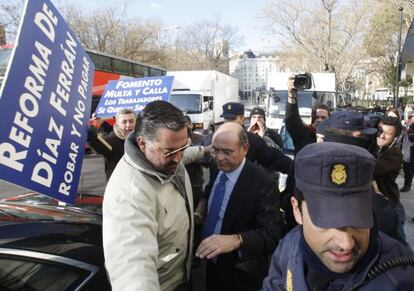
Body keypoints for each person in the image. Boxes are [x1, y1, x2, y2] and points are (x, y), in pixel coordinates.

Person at [262, 142, 414, 290]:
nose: (346, 244)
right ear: (297, 210)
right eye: (326, 222)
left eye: (357, 219)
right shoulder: (290, 245)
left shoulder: (400, 280)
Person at [103, 101, 196, 291]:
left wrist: (205, 151)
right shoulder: (128, 194)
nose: (179, 159)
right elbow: (132, 271)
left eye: (184, 147)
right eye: (170, 152)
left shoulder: (166, 157)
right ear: (142, 144)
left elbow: (180, 154)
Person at [195, 122, 282, 291]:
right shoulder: (215, 166)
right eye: (215, 150)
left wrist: (237, 240)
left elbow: (272, 234)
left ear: (245, 149)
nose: (219, 157)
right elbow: (210, 190)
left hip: (238, 273)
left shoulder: (263, 183)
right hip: (208, 263)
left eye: (227, 152)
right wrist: (200, 209)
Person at [220, 102, 292, 174]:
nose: (257, 119)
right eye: (226, 118)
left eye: (260, 117)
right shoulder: (217, 139)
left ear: (242, 119)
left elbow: (277, 157)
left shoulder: (268, 136)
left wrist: (263, 138)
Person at [87, 108, 136, 180]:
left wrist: (103, 124)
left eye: (131, 121)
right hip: (119, 186)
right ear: (117, 123)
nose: (128, 125)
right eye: (124, 122)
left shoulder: (143, 138)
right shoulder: (112, 141)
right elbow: (97, 143)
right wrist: (92, 131)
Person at [285, 77, 330, 154]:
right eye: (316, 117)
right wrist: (291, 95)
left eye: (323, 118)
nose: (319, 120)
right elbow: (291, 119)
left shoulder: (335, 138)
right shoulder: (304, 134)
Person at [401, 111, 414, 192]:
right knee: (407, 168)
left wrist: (408, 131)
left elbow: (412, 137)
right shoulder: (410, 122)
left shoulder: (412, 123)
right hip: (407, 148)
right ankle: (407, 185)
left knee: (408, 168)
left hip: (411, 148)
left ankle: (407, 186)